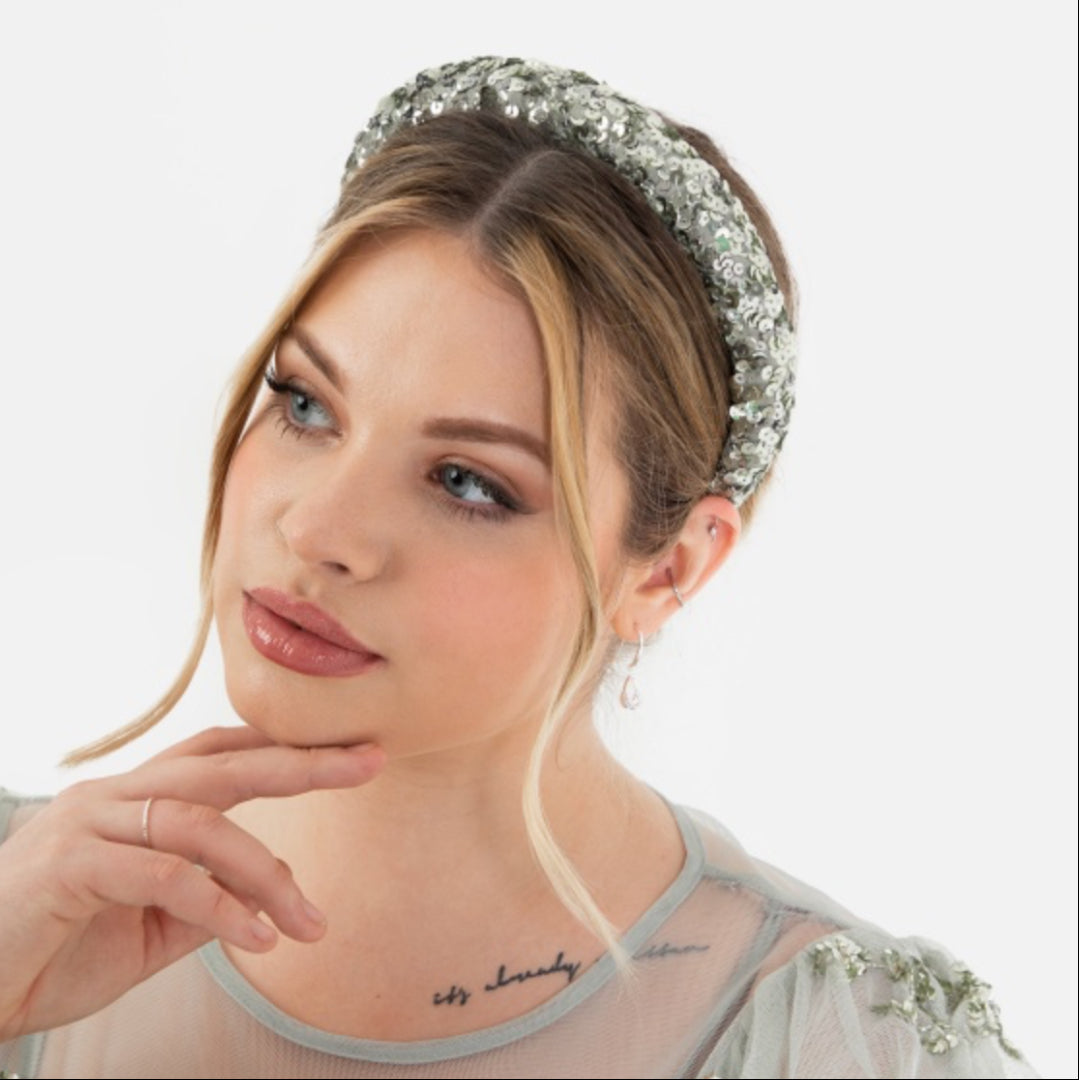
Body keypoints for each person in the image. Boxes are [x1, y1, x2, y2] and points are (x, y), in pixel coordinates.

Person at [0, 57, 1037, 1079]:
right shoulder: (26, 905)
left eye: (465, 481)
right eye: (305, 404)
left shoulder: (837, 1047)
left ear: (667, 569)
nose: (318, 529)